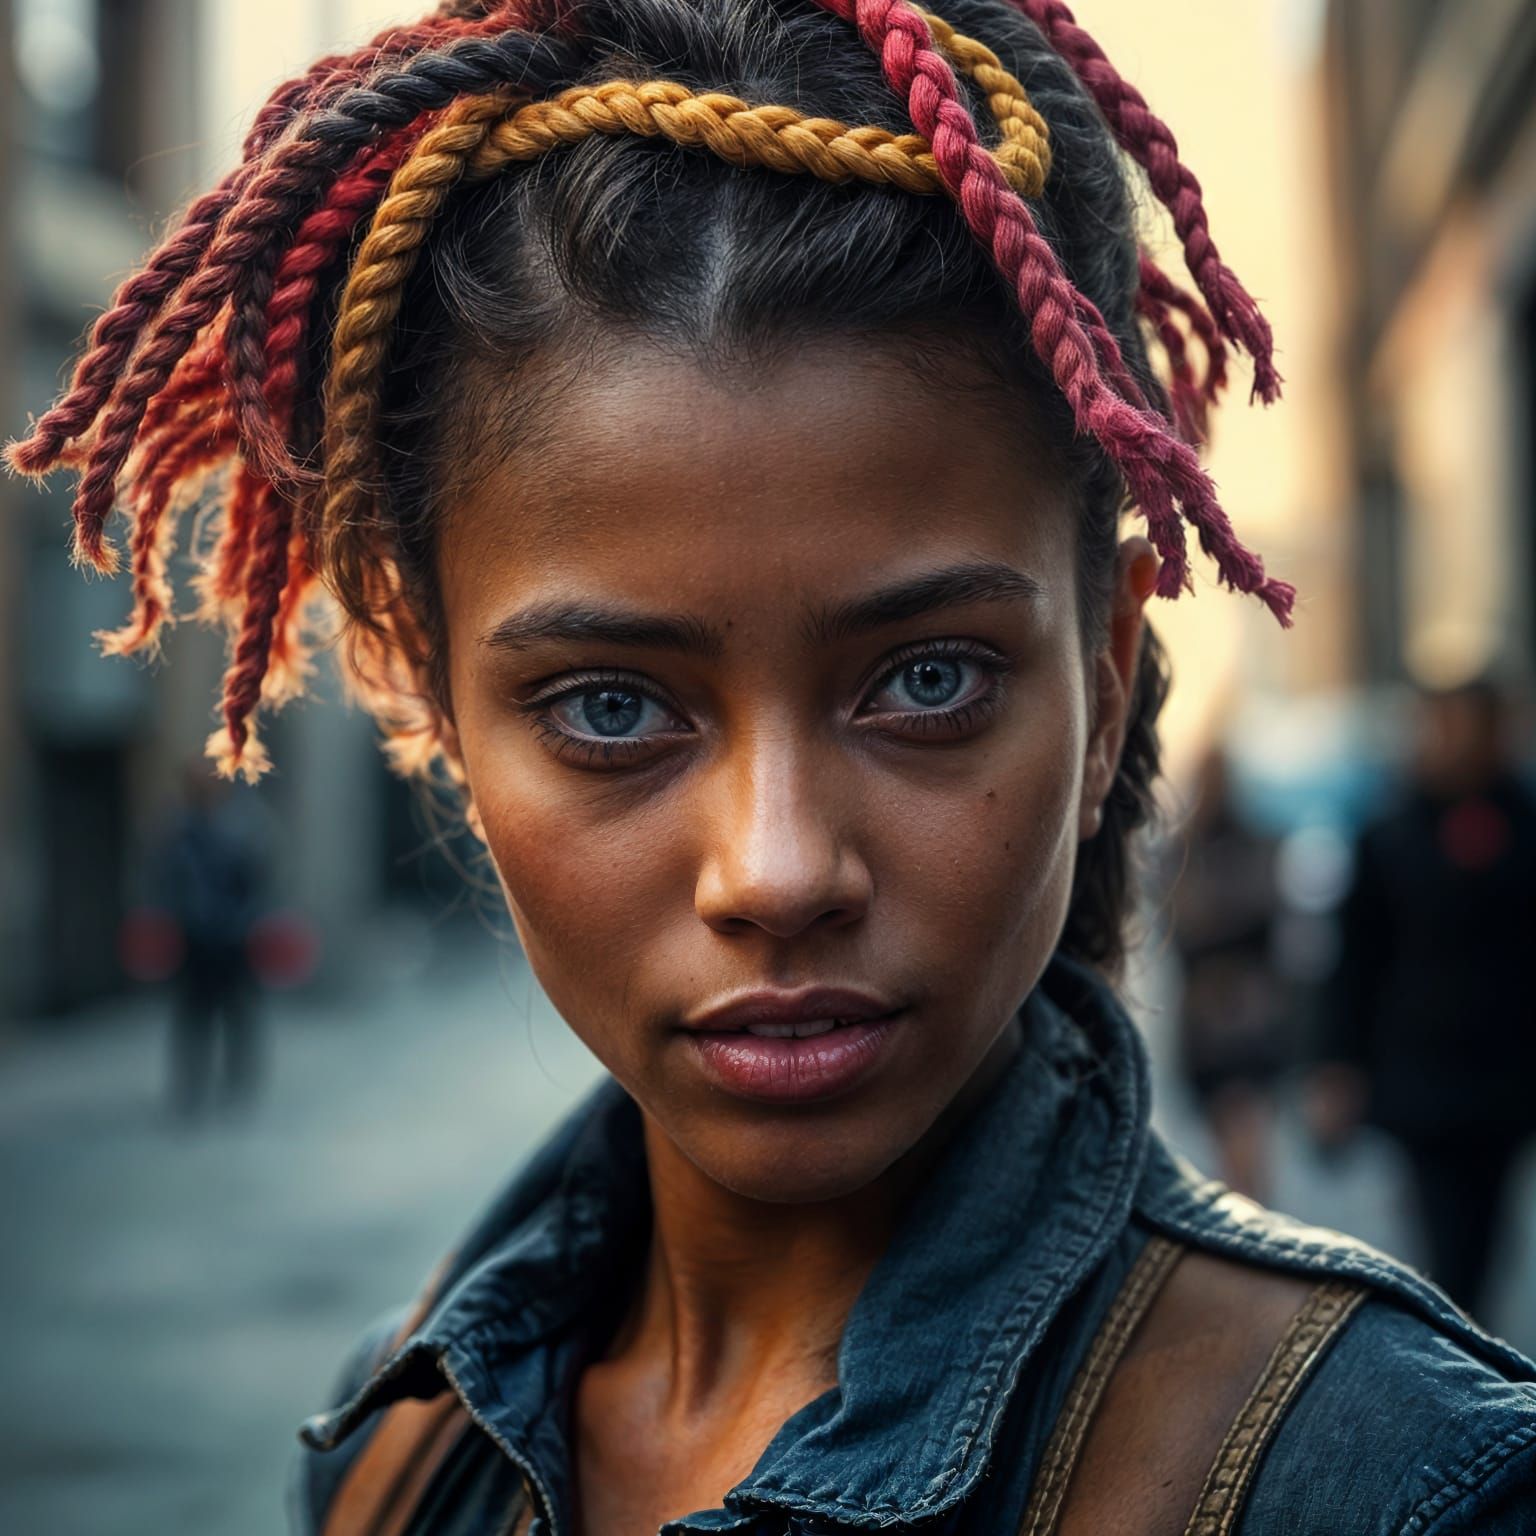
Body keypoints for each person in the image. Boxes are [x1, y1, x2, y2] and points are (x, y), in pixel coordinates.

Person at [10, 2, 1534, 1531]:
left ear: (1108, 682)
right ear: (437, 701)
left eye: (927, 681)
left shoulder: (1401, 1485)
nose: (779, 869)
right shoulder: (397, 1452)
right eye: (611, 709)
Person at [1310, 679, 1536, 1317]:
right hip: (1422, 1074)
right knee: (1444, 1235)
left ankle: (1469, 1338)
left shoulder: (1522, 822)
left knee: (1486, 1233)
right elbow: (1354, 959)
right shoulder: (1390, 832)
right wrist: (1336, 1064)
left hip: (1505, 1076)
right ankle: (1462, 1346)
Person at [1165, 750, 1289, 1201]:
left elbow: (1258, 916)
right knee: (1228, 1131)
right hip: (1208, 1014)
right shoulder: (1186, 848)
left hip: (1243, 1011)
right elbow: (1179, 920)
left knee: (1243, 1126)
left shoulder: (1248, 843)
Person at [154, 762, 269, 1118]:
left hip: (231, 940)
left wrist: (242, 920)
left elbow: (257, 880)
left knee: (237, 1016)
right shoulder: (180, 833)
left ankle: (237, 1084)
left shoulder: (238, 831)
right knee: (194, 1018)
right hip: (196, 940)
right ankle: (192, 1085)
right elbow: (165, 883)